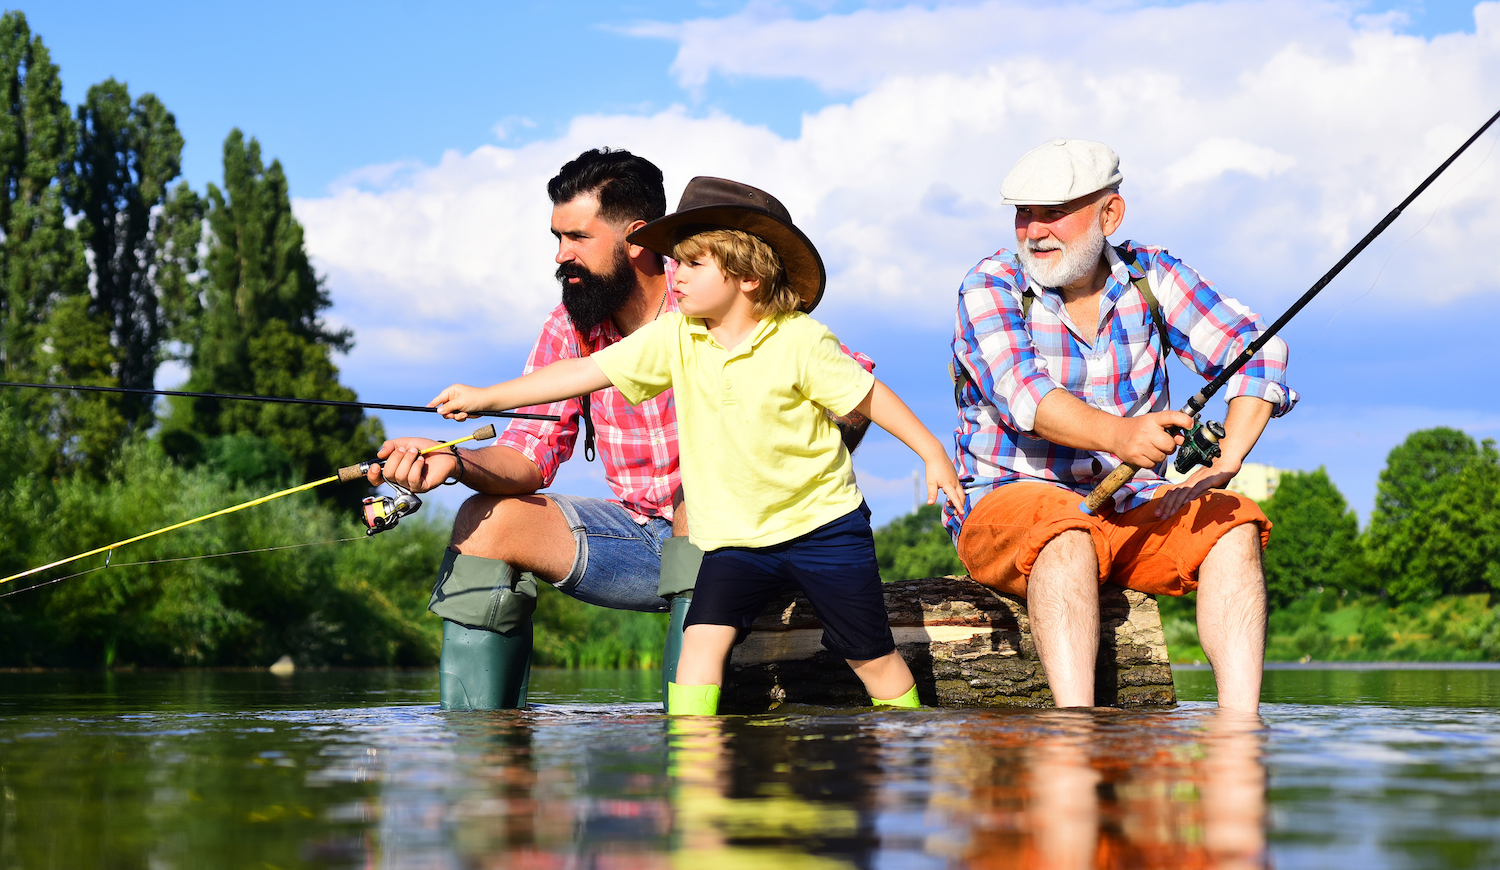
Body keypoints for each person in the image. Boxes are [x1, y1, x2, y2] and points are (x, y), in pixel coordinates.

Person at [429, 177, 965, 714]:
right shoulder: (670, 336)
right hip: (721, 540)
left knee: (869, 655)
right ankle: (684, 759)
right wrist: (482, 402)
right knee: (699, 642)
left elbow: (866, 395)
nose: (675, 274)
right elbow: (579, 377)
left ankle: (904, 738)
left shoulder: (798, 338)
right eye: (675, 262)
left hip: (818, 529)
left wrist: (932, 452)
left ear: (747, 278)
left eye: (691, 264)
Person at [947, 139, 1297, 713]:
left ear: (1110, 214)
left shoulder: (1153, 275)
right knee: (1063, 532)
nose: (1034, 230)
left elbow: (1259, 351)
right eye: (1023, 213)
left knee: (1235, 523)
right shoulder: (989, 285)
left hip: (1131, 504)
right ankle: (1075, 728)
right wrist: (1121, 436)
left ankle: (1240, 731)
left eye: (1053, 212)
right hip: (1007, 505)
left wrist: (1227, 457)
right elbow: (1025, 397)